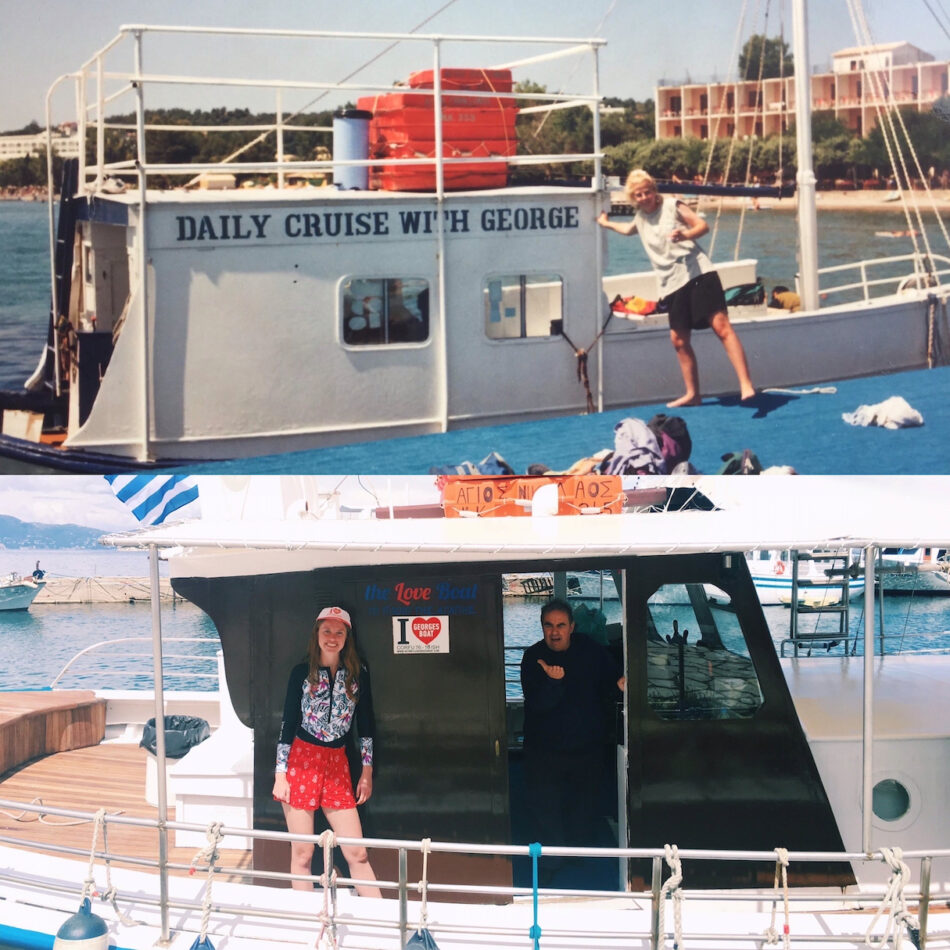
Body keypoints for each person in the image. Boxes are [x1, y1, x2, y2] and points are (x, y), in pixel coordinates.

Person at [598, 169, 756, 407]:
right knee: (678, 341)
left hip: (698, 273)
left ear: (654, 190)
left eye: (648, 192)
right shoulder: (640, 217)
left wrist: (685, 235)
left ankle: (745, 384)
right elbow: (629, 230)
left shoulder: (672, 205)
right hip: (671, 283)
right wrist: (605, 223)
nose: (644, 197)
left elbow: (702, 226)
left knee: (721, 327)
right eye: (639, 195)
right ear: (634, 198)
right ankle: (693, 394)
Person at [273, 606, 381, 897]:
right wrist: (280, 774)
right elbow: (288, 724)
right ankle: (307, 924)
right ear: (317, 634)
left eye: (339, 632)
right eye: (327, 631)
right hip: (302, 762)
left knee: (357, 854)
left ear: (347, 637)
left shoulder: (358, 674)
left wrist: (367, 772)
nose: (332, 638)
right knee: (303, 854)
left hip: (337, 765)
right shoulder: (301, 673)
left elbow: (366, 724)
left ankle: (384, 925)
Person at [519, 599, 625, 874]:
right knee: (546, 808)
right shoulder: (533, 658)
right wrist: (553, 682)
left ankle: (577, 854)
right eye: (549, 625)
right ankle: (551, 862)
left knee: (583, 804)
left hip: (585, 746)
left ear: (572, 627)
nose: (555, 632)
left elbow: (609, 687)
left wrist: (620, 685)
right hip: (544, 749)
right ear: (542, 627)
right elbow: (538, 704)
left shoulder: (591, 652)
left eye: (561, 625)